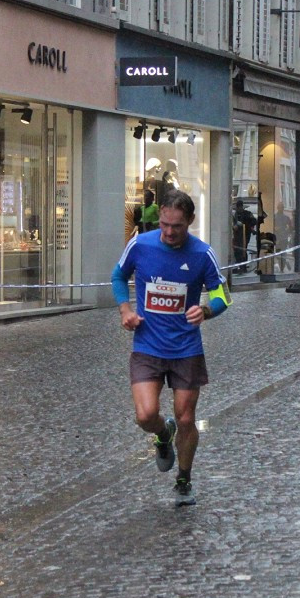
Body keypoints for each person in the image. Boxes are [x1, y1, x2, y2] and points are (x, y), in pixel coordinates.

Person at [111, 190, 230, 507]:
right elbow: (118, 276)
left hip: (186, 349)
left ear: (189, 221)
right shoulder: (141, 244)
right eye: (164, 224)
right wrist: (125, 310)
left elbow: (223, 295)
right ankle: (163, 434)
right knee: (146, 414)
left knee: (187, 418)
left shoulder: (203, 254)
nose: (168, 232)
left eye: (176, 226)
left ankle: (184, 479)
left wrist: (206, 310)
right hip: (148, 344)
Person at [232, 199, 262, 273]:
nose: (239, 209)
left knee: (243, 250)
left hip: (245, 235)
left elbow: (254, 221)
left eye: (239, 207)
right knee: (237, 251)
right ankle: (239, 266)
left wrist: (247, 225)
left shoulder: (247, 214)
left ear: (242, 207)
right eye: (238, 207)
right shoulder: (235, 214)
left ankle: (243, 267)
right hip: (237, 236)